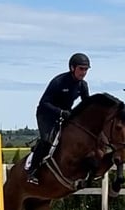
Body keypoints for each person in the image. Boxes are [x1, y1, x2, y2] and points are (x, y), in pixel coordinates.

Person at [27, 52, 91, 183]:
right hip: (46, 114)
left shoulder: (83, 85)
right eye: (81, 69)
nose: (83, 72)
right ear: (72, 68)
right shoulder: (58, 82)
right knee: (47, 141)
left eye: (86, 69)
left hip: (66, 114)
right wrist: (61, 112)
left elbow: (86, 106)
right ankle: (32, 171)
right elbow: (43, 103)